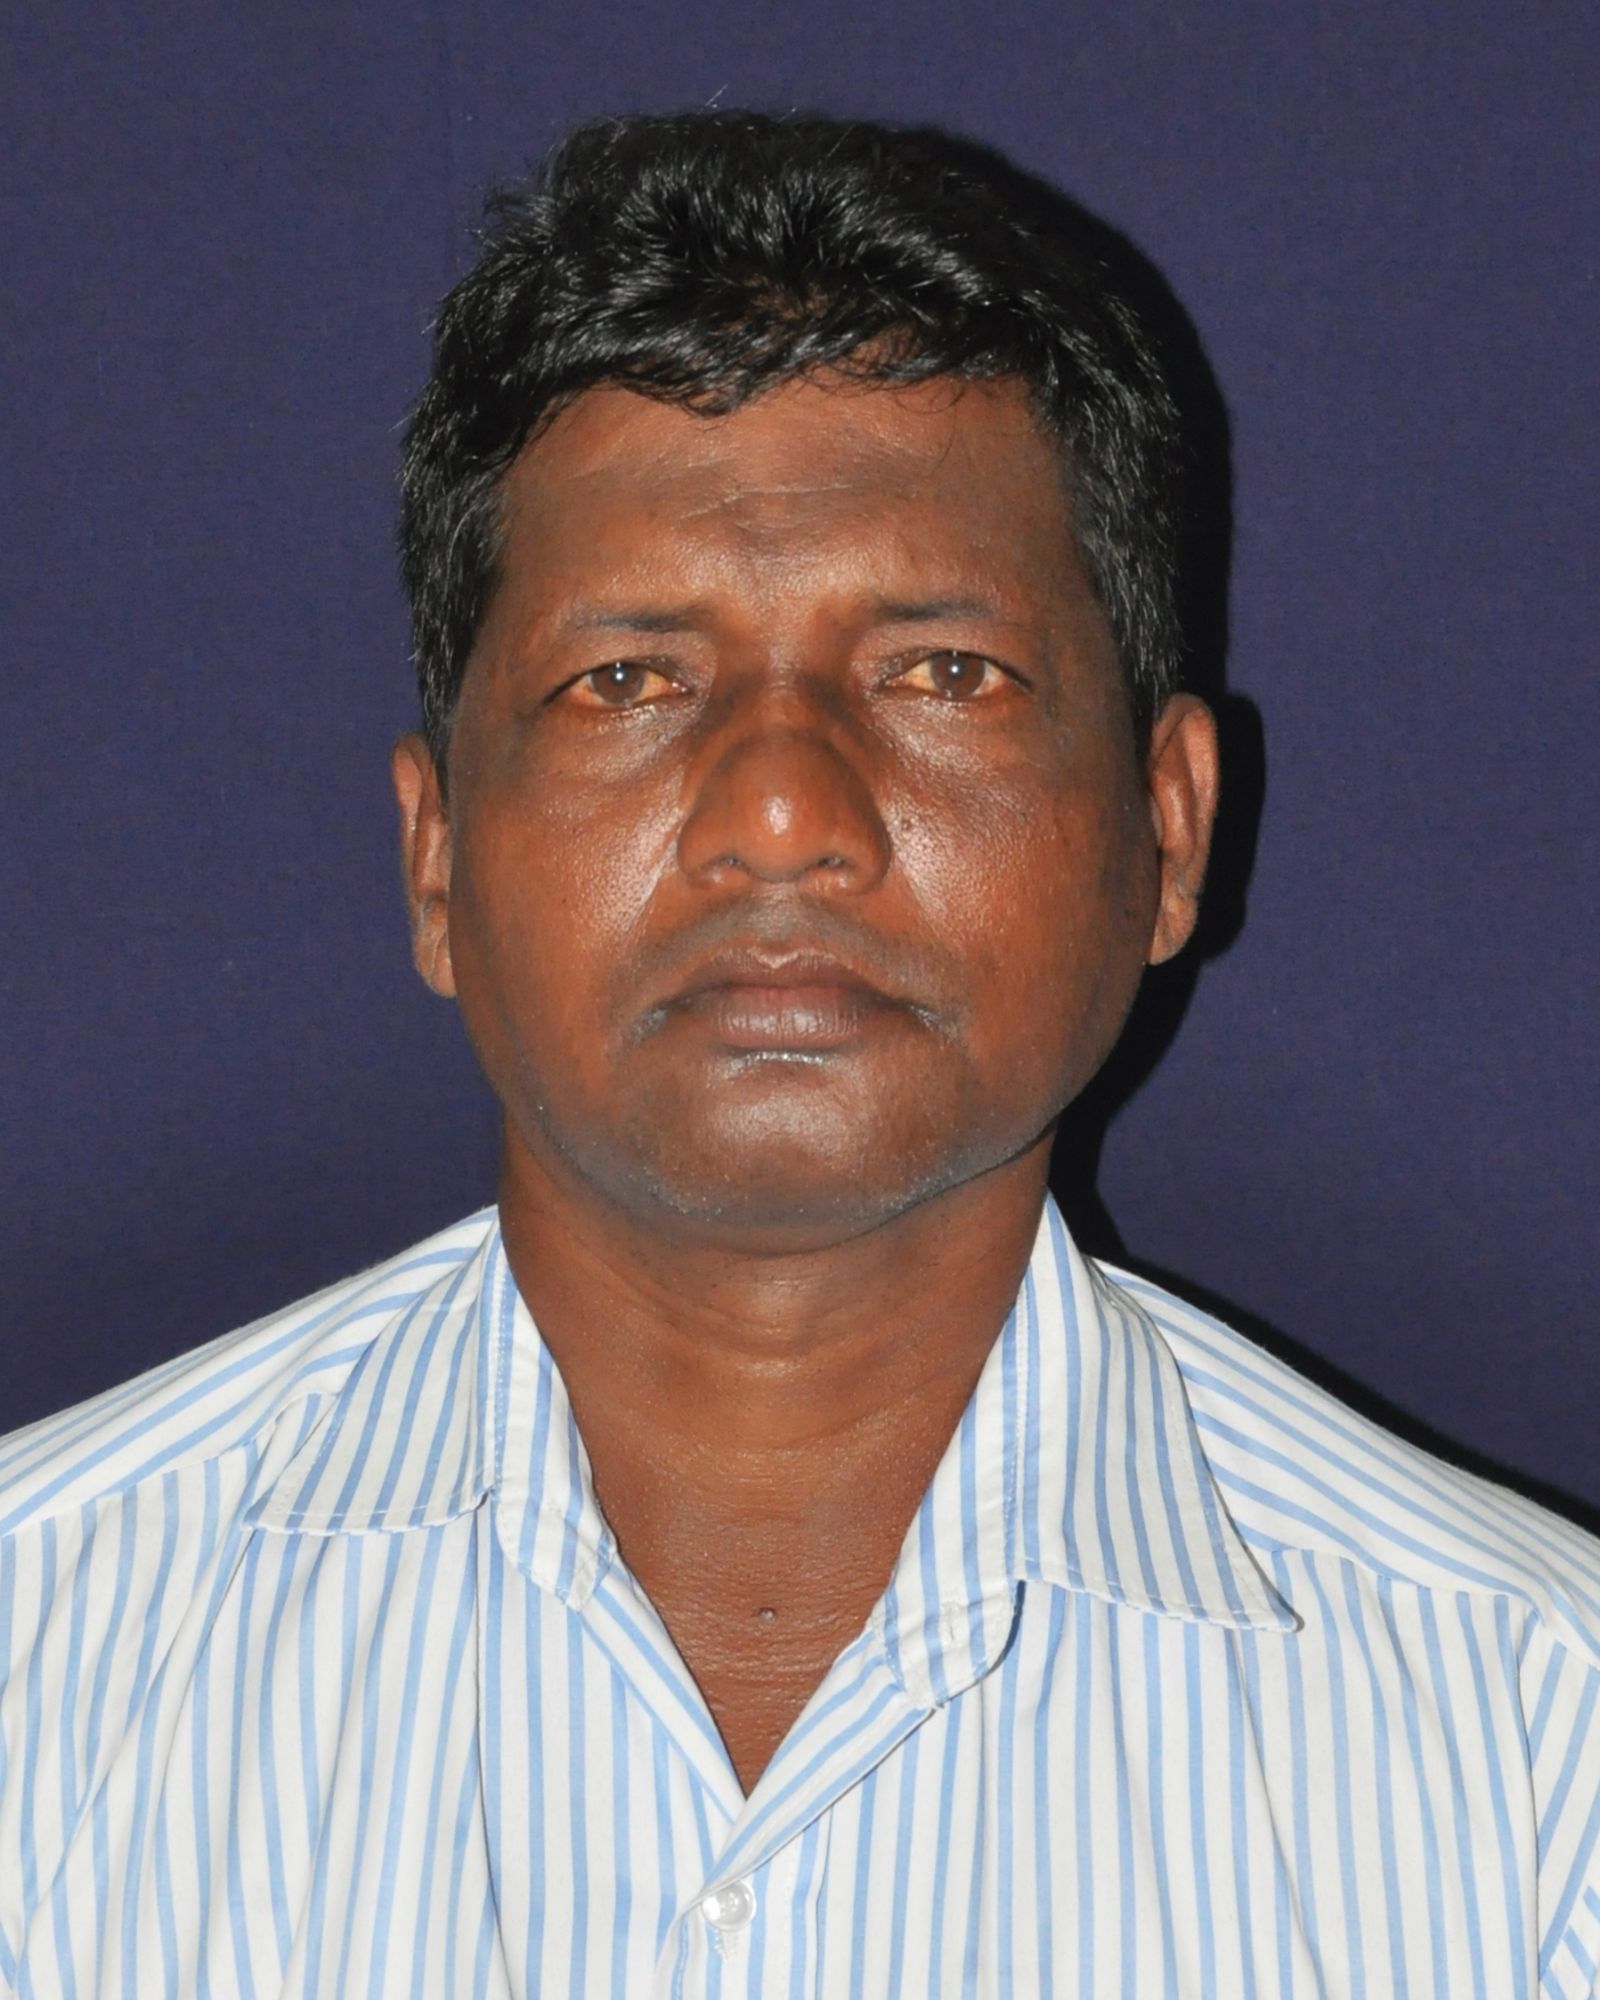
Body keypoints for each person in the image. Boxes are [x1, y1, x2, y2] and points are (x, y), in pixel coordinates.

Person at [1, 109, 1596, 2000]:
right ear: (435, 860)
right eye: (627, 679)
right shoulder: (40, 1660)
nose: (779, 815)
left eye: (943, 673)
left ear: (1168, 830)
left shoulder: (1537, 1752)